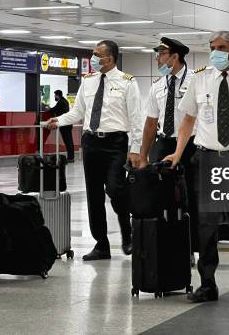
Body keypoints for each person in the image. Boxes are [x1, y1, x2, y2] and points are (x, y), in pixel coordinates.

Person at [164, 30, 229, 303]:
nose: (216, 51)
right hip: (206, 157)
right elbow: (188, 119)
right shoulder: (200, 78)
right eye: (212, 47)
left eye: (222, 47)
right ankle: (207, 282)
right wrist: (177, 152)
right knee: (205, 223)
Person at [47, 40, 142, 260]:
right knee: (94, 195)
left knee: (116, 189)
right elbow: (78, 112)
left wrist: (135, 149)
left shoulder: (128, 83)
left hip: (116, 142)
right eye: (93, 54)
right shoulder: (88, 82)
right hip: (91, 142)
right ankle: (101, 244)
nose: (94, 58)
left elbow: (136, 118)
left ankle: (127, 232)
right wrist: (58, 120)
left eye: (97, 54)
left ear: (110, 58)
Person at [138, 37, 198, 264]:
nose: (157, 58)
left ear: (175, 56)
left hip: (190, 144)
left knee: (189, 196)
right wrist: (143, 154)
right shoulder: (158, 85)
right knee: (160, 196)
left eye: (161, 53)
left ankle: (190, 248)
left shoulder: (195, 81)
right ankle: (164, 245)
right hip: (163, 143)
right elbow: (151, 123)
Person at [49, 90, 75, 162]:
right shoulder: (64, 101)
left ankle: (70, 158)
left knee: (68, 141)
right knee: (69, 141)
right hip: (67, 124)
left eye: (55, 95)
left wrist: (47, 109)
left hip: (65, 125)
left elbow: (53, 109)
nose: (54, 97)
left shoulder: (61, 102)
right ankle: (71, 157)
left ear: (58, 95)